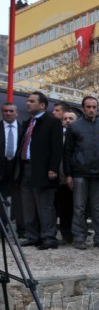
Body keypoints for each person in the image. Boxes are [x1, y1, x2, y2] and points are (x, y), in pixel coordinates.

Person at [64, 96, 99, 250]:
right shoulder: (74, 127)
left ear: (97, 108)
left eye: (94, 107)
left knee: (98, 208)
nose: (91, 109)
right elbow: (68, 152)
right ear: (83, 108)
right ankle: (79, 238)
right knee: (79, 207)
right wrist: (68, 174)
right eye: (88, 107)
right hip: (79, 173)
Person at [19, 91, 62, 250]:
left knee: (45, 205)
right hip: (26, 168)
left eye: (32, 101)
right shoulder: (28, 122)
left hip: (44, 170)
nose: (28, 103)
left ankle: (48, 238)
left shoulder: (52, 122)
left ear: (42, 105)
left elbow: (57, 148)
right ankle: (33, 236)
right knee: (28, 205)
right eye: (28, 100)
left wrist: (53, 168)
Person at [0, 103, 24, 237]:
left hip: (17, 170)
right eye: (5, 111)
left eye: (11, 111)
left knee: (19, 201)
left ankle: (22, 230)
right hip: (1, 170)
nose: (8, 113)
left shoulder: (24, 129)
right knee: (1, 201)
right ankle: (2, 231)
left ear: (17, 113)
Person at [56, 109, 76, 244]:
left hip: (77, 176)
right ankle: (66, 234)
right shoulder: (58, 136)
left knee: (77, 208)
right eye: (65, 118)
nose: (67, 121)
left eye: (70, 118)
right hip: (61, 178)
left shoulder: (78, 135)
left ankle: (78, 233)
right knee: (63, 208)